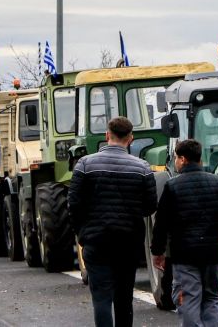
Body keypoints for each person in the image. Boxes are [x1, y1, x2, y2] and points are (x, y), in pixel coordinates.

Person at [151, 139, 218, 327]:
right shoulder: (217, 183)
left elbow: (161, 224)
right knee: (212, 299)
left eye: (176, 158)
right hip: (213, 255)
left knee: (188, 299)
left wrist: (157, 252)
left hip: (185, 256)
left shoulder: (173, 186)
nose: (175, 161)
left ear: (183, 159)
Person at [68, 116, 157, 327]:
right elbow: (150, 206)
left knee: (101, 298)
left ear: (107, 135)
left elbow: (73, 204)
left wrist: (82, 233)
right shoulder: (142, 168)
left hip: (96, 239)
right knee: (124, 298)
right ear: (131, 138)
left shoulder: (85, 165)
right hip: (128, 241)